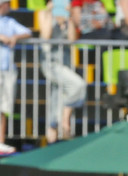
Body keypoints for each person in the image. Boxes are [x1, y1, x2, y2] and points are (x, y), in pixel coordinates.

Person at [39, 1, 87, 145]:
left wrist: (70, 18)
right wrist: (49, 13)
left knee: (57, 95)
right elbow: (46, 35)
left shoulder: (68, 17)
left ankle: (52, 130)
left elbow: (72, 39)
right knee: (79, 85)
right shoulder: (43, 14)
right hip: (51, 63)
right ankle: (64, 121)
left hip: (65, 63)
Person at [0, 0, 31, 155]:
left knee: (3, 107)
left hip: (7, 69)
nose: (10, 6)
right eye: (7, 3)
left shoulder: (9, 21)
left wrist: (14, 37)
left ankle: (0, 142)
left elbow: (27, 32)